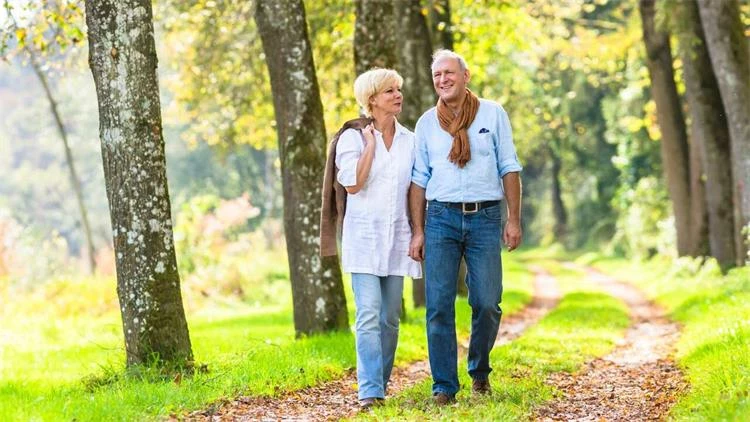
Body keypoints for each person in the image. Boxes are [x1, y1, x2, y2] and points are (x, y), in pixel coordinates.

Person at [408, 49, 523, 405]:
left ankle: (479, 369)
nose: (443, 79)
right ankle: (444, 386)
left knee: (487, 301)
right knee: (439, 305)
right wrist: (418, 230)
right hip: (440, 217)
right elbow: (418, 180)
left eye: (449, 73)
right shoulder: (426, 123)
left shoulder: (493, 114)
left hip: (486, 217)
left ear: (466, 75)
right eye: (437, 75)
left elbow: (509, 167)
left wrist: (513, 219)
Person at [320, 68, 421, 410]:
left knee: (390, 318)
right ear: (372, 99)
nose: (398, 95)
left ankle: (382, 381)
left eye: (398, 89)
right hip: (363, 238)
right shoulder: (352, 138)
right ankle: (370, 391)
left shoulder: (410, 140)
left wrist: (419, 232)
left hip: (398, 238)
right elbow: (352, 184)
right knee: (368, 314)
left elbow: (415, 190)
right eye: (390, 90)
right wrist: (370, 146)